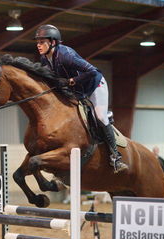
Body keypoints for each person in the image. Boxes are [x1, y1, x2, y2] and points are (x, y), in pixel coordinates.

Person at [34, 24, 128, 173]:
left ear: (52, 42)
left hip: (95, 85)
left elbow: (93, 71)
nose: (38, 45)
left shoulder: (66, 55)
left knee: (100, 117)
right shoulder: (44, 59)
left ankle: (116, 157)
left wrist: (71, 81)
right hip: (77, 91)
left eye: (42, 42)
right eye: (37, 42)